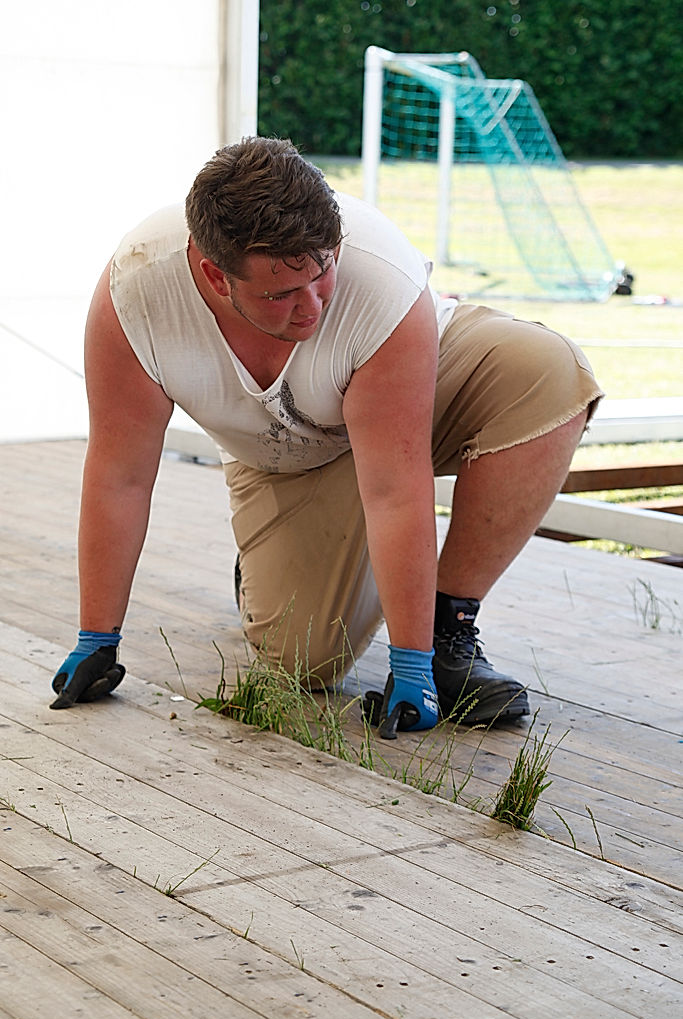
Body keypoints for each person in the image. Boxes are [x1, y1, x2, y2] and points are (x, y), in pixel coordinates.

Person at [50, 136, 603, 739]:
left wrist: (412, 662)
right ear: (215, 276)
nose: (311, 308)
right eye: (280, 294)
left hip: (405, 399)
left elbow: (396, 489)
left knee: (547, 372)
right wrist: (96, 638)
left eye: (321, 275)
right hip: (283, 457)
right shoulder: (137, 292)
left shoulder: (380, 275)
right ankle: (275, 561)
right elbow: (120, 476)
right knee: (306, 661)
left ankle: (449, 630)